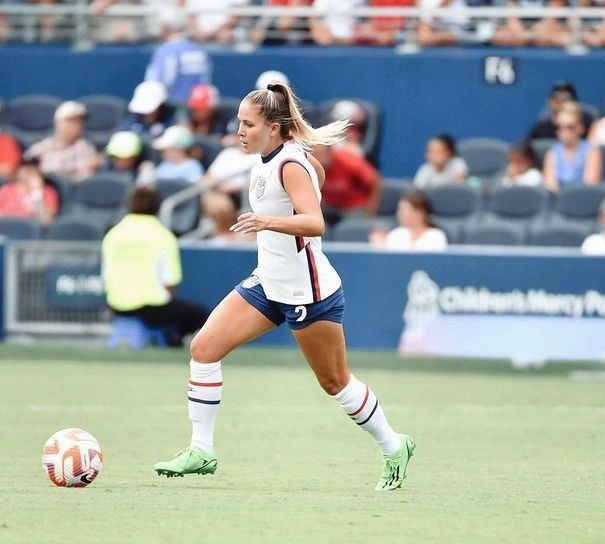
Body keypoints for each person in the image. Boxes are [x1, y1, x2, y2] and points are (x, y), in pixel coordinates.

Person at [152, 82, 415, 491]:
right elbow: (316, 177)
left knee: (335, 383)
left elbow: (315, 222)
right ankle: (202, 450)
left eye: (247, 124)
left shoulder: (289, 164)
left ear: (273, 128)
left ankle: (393, 445)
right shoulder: (267, 158)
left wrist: (269, 221)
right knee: (203, 349)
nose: (238, 130)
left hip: (308, 293)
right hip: (268, 282)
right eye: (238, 122)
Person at [102, 186, 209, 346]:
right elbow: (170, 281)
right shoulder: (163, 236)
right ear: (157, 206)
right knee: (201, 314)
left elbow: (106, 275)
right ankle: (174, 340)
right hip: (153, 308)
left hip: (116, 305)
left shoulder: (113, 235)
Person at [144, 11, 212, 105]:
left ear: (166, 29)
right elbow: (206, 81)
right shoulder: (198, 49)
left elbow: (155, 83)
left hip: (172, 107)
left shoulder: (165, 50)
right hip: (197, 107)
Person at [25, 101, 100, 183]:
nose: (75, 126)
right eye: (70, 121)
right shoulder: (42, 147)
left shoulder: (86, 147)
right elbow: (24, 171)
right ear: (58, 122)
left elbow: (85, 178)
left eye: (79, 122)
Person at [311, 144, 381, 226]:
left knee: (349, 229)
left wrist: (370, 212)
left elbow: (375, 181)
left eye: (320, 155)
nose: (319, 160)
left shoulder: (348, 162)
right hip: (329, 206)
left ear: (329, 152)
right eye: (315, 156)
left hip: (353, 207)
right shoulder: (310, 166)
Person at [543, 107, 603, 192]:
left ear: (580, 127)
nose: (563, 131)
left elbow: (590, 188)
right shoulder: (552, 153)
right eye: (558, 127)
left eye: (569, 127)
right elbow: (550, 189)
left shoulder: (592, 151)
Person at [0, 159, 59, 225]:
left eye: (33, 170)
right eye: (26, 169)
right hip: (6, 227)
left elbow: (46, 219)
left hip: (30, 233)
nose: (29, 173)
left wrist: (36, 192)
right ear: (18, 171)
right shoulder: (5, 190)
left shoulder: (48, 192)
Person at [369, 192, 449, 251]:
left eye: (403, 210)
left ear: (420, 212)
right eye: (399, 210)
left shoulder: (436, 236)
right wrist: (379, 245)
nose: (399, 214)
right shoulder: (396, 234)